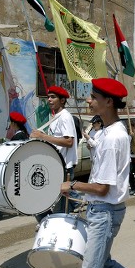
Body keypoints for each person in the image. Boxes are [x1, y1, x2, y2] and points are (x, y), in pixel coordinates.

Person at [60, 77, 135, 268]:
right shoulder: (109, 131)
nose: (88, 100)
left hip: (104, 212)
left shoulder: (113, 137)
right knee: (102, 265)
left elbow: (102, 188)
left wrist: (73, 184)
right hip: (103, 210)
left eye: (93, 97)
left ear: (108, 102)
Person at [31, 86, 79, 222]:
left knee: (59, 211)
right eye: (49, 97)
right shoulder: (55, 117)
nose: (49, 100)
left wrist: (43, 136)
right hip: (54, 165)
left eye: (53, 97)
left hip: (63, 168)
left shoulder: (65, 117)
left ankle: (53, 229)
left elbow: (69, 141)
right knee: (37, 203)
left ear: (62, 100)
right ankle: (48, 224)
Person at [0, 111, 29, 221]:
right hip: (18, 168)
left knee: (3, 190)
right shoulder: (22, 135)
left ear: (13, 123)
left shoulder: (19, 136)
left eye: (10, 123)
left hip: (15, 169)